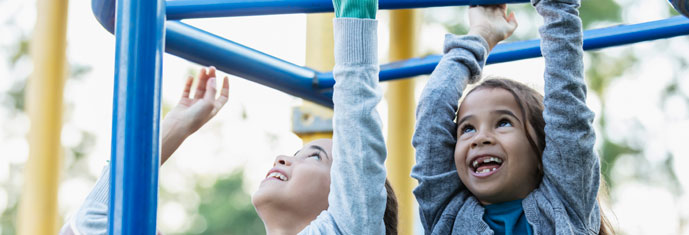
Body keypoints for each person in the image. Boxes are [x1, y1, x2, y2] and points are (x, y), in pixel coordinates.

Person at [61, 0, 399, 233]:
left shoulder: (350, 224)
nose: (283, 158)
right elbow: (92, 224)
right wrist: (175, 126)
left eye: (315, 154)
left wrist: (356, 14)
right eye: (298, 153)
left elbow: (357, 120)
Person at [411, 1, 613, 234]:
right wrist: (481, 35)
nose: (480, 138)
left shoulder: (563, 208)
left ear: (543, 151)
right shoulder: (448, 214)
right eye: (467, 128)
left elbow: (567, 107)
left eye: (503, 123)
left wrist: (558, 9)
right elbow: (432, 113)